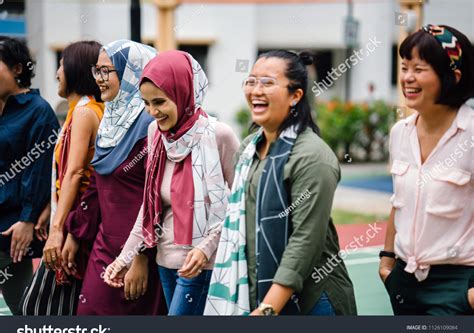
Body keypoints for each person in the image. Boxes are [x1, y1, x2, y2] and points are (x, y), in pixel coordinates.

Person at [204, 50, 357, 316]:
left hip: (313, 299)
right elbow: (237, 217)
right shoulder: (249, 150)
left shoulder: (312, 157)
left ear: (295, 95)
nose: (256, 90)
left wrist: (267, 308)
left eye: (267, 83)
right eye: (251, 81)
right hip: (259, 293)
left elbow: (304, 242)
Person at [104, 50, 240, 315]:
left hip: (204, 263)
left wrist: (206, 248)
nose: (153, 111)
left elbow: (242, 204)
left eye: (160, 102)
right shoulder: (155, 133)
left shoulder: (218, 135)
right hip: (165, 260)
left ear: (182, 92)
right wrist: (125, 258)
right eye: (146, 103)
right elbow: (149, 205)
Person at [65, 40, 166, 315]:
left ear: (132, 71)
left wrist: (142, 256)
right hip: (104, 246)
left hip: (141, 253)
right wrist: (76, 233)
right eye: (96, 71)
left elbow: (160, 197)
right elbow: (97, 186)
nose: (98, 79)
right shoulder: (111, 120)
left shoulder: (152, 125)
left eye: (106, 71)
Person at [379, 24, 474, 315]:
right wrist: (386, 263)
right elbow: (400, 203)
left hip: (457, 285)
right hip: (404, 282)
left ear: (453, 77)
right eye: (405, 66)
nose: (407, 77)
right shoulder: (400, 133)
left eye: (419, 69)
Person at [20, 41, 104, 315]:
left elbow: (77, 173)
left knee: (37, 307)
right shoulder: (84, 110)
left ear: (76, 70)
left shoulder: (83, 112)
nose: (57, 73)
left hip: (74, 225)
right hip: (76, 221)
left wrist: (58, 231)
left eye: (61, 65)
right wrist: (50, 210)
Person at [0, 36, 60, 314]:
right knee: (21, 304)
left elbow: (39, 172)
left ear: (17, 69)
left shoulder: (39, 112)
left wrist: (27, 218)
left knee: (23, 305)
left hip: (13, 227)